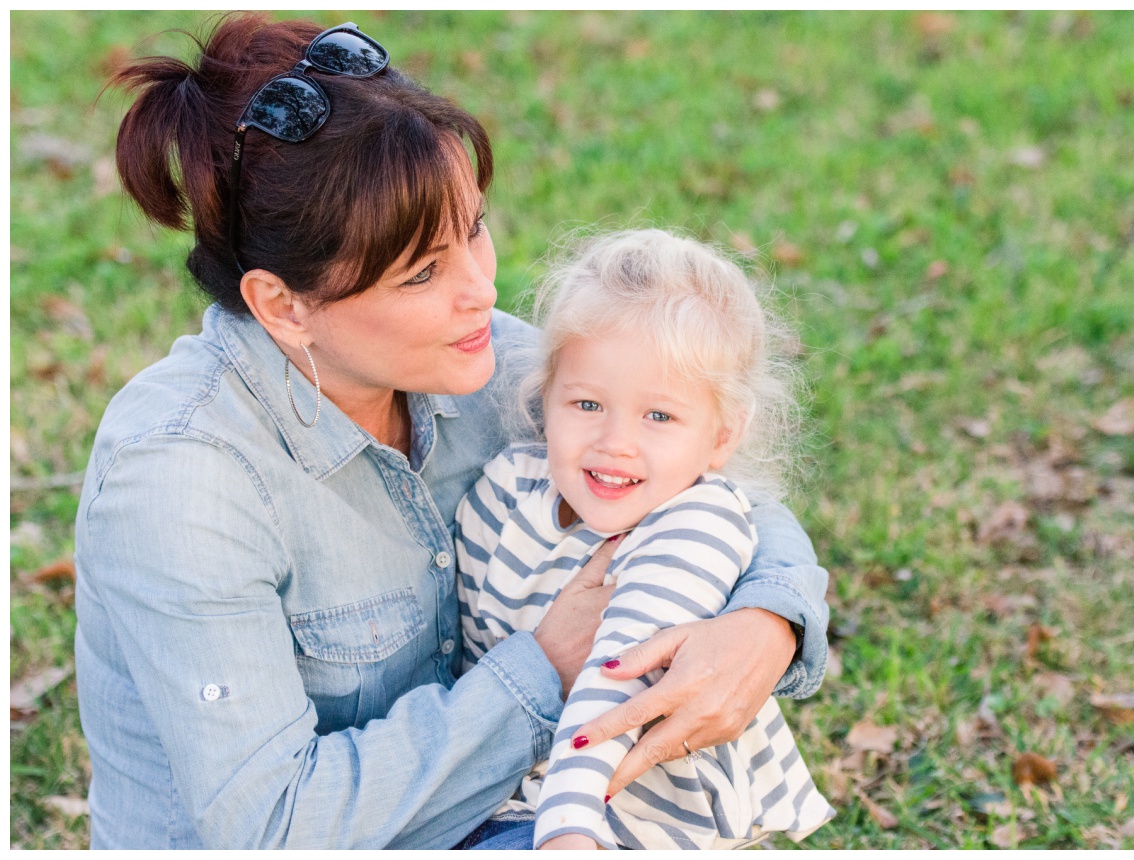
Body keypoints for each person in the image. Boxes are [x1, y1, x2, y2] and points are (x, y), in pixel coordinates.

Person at [72, 13, 830, 849]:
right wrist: (546, 665)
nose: (479, 291)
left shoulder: (484, 359)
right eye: (424, 272)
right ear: (283, 307)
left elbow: (701, 476)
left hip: (498, 813)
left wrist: (769, 622)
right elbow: (273, 827)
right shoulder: (182, 481)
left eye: (473, 229)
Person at [455, 229, 836, 849]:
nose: (615, 442)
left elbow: (614, 683)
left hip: (628, 817)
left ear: (720, 437)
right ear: (545, 394)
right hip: (503, 791)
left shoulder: (696, 524)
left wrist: (568, 830)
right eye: (586, 404)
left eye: (658, 416)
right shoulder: (503, 488)